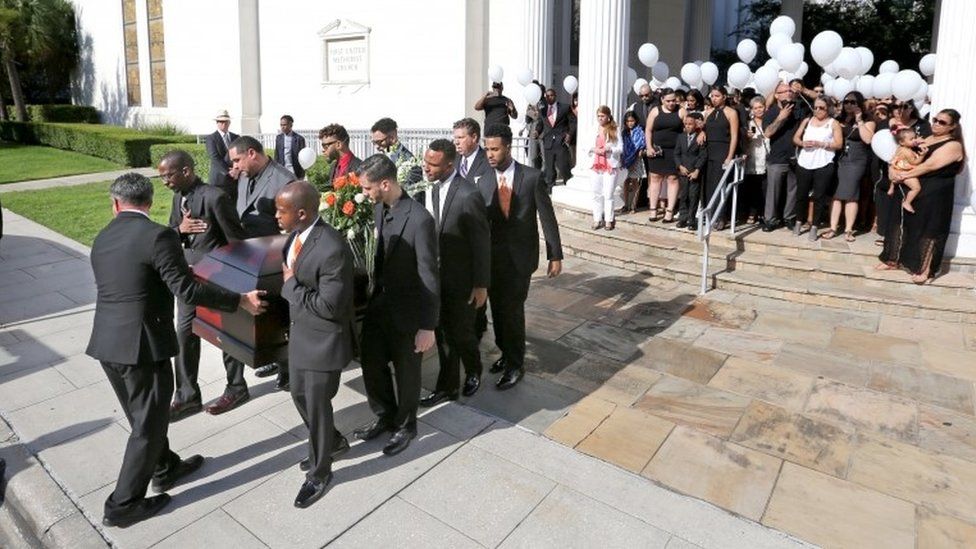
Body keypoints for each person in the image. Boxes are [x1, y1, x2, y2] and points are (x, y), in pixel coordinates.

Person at [86, 173, 266, 528]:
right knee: (148, 424)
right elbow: (188, 291)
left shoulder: (103, 236)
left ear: (115, 204)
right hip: (142, 347)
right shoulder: (158, 236)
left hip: (107, 344)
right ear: (149, 203)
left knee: (143, 417)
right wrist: (240, 301)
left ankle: (165, 467)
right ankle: (122, 504)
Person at [274, 181, 355, 509]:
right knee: (299, 395)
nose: (277, 216)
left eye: (282, 210)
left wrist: (290, 285)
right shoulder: (294, 236)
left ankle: (321, 473)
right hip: (300, 337)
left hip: (323, 341)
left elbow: (330, 306)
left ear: (303, 213)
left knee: (318, 408)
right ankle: (333, 443)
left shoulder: (331, 248)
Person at [354, 154, 439, 456]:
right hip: (380, 306)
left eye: (367, 188)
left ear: (385, 184)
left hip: (408, 312)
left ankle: (406, 425)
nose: (364, 194)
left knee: (407, 373)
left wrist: (428, 326)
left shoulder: (420, 220)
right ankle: (384, 415)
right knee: (372, 363)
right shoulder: (379, 208)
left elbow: (429, 275)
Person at [159, 150, 248, 422]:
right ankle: (187, 396)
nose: (164, 181)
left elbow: (237, 242)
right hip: (188, 281)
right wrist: (180, 230)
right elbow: (172, 232)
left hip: (218, 280)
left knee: (227, 335)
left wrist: (231, 278)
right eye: (161, 176)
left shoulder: (215, 197)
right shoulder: (178, 197)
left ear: (186, 171)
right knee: (184, 334)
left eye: (168, 175)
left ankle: (236, 388)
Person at [477, 124, 563, 390]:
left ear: (508, 147)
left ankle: (516, 365)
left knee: (512, 311)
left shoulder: (531, 177)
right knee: (497, 311)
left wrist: (555, 254)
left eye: (495, 149)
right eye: (487, 149)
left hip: (519, 259)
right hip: (492, 259)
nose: (489, 154)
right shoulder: (483, 180)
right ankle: (506, 353)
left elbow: (547, 218)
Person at [213, 135, 293, 410]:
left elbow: (293, 227)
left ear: (251, 153)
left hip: (271, 265)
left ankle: (286, 369)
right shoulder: (244, 174)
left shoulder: (284, 180)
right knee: (234, 319)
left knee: (276, 320)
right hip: (242, 259)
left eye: (236, 159)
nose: (234, 165)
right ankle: (235, 385)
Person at [416, 139, 490, 406]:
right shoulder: (434, 190)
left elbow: (482, 243)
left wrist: (481, 285)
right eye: (426, 162)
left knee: (462, 333)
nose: (427, 168)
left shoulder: (469, 194)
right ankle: (447, 387)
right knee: (443, 333)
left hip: (463, 280)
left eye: (433, 165)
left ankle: (473, 369)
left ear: (450, 165)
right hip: (439, 278)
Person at [879, 109, 965, 284]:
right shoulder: (925, 138)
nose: (936, 123)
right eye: (935, 119)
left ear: (953, 126)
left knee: (930, 229)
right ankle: (893, 259)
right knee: (903, 223)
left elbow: (929, 166)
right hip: (915, 186)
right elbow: (900, 153)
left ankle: (925, 270)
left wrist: (902, 175)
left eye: (942, 122)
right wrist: (892, 170)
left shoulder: (953, 145)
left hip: (936, 192)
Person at [792, 96, 843, 241]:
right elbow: (795, 138)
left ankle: (815, 226)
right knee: (801, 195)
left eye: (822, 108)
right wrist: (802, 143)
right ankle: (799, 222)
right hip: (804, 161)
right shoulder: (807, 121)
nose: (818, 110)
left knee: (819, 196)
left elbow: (839, 144)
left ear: (828, 109)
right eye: (815, 107)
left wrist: (823, 144)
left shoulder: (833, 123)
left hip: (824, 163)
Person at [828, 92, 876, 242]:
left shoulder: (868, 120)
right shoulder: (838, 119)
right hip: (838, 160)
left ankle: (848, 230)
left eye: (853, 102)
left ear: (860, 104)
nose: (849, 104)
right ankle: (833, 228)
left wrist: (859, 120)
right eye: (846, 101)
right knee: (836, 194)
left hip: (856, 161)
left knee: (851, 195)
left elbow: (868, 139)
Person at [762, 83, 804, 232]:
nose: (788, 93)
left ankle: (789, 218)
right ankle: (770, 220)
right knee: (773, 191)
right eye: (784, 91)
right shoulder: (771, 112)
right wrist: (781, 117)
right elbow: (767, 133)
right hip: (777, 157)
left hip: (796, 157)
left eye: (790, 91)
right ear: (777, 95)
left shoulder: (798, 109)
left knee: (793, 189)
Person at [645, 88, 685, 222]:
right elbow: (648, 130)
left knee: (673, 179)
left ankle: (670, 210)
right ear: (662, 100)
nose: (671, 103)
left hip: (674, 151)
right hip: (657, 150)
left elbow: (688, 128)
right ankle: (653, 209)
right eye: (668, 101)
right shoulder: (655, 111)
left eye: (674, 100)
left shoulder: (681, 111)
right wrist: (649, 147)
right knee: (655, 178)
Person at [702, 86, 739, 230]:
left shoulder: (731, 112)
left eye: (717, 96)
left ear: (724, 96)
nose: (714, 98)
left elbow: (734, 136)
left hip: (722, 151)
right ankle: (709, 215)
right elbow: (703, 129)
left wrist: (729, 156)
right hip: (709, 151)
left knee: (720, 184)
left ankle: (720, 217)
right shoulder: (709, 112)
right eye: (712, 96)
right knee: (708, 184)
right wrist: (701, 132)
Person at [588, 106, 624, 231]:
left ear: (608, 116)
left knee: (608, 194)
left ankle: (609, 219)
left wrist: (611, 149)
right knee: (596, 193)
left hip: (610, 164)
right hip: (596, 165)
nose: (600, 118)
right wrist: (593, 149)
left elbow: (620, 147)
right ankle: (597, 219)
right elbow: (586, 145)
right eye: (598, 116)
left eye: (602, 116)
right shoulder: (594, 128)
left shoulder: (615, 129)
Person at [674, 112, 707, 231]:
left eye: (690, 124)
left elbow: (703, 155)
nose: (688, 126)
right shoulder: (680, 137)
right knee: (684, 196)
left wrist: (697, 170)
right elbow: (676, 153)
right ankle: (682, 218)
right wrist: (680, 166)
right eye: (686, 124)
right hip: (683, 171)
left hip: (694, 172)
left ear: (695, 125)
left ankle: (692, 220)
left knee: (693, 196)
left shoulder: (700, 137)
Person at [537, 88, 573, 191]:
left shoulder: (565, 108)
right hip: (548, 141)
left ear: (555, 96)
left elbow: (572, 122)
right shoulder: (543, 110)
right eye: (547, 96)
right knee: (549, 167)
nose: (549, 97)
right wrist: (537, 131)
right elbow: (540, 123)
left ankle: (568, 182)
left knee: (563, 165)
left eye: (551, 95)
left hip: (561, 141)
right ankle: (550, 188)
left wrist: (569, 134)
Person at [371, 117, 422, 185]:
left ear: (392, 138)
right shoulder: (383, 158)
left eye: (380, 142)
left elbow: (412, 192)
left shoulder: (409, 162)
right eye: (374, 143)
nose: (377, 147)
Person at [743, 97, 769, 224]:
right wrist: (747, 137)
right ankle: (752, 213)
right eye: (756, 108)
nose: (759, 110)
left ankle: (764, 213)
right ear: (752, 109)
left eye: (760, 107)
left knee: (765, 188)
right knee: (753, 188)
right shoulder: (749, 123)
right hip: (753, 158)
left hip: (767, 157)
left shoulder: (769, 121)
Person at [204, 110, 240, 200]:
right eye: (221, 122)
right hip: (219, 180)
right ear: (217, 123)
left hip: (235, 180)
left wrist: (236, 170)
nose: (224, 124)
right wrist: (229, 171)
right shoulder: (211, 138)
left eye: (226, 121)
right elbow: (215, 157)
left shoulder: (236, 137)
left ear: (229, 122)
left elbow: (240, 155)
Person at [888, 128, 924, 212]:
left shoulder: (899, 148)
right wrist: (922, 156)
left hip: (896, 169)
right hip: (904, 172)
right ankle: (907, 202)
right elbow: (915, 162)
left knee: (895, 179)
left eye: (915, 137)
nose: (914, 140)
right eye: (911, 139)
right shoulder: (907, 152)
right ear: (902, 142)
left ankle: (891, 188)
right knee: (916, 188)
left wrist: (916, 142)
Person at [620, 111, 646, 213]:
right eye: (628, 121)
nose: (630, 123)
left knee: (635, 182)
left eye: (632, 121)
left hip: (636, 159)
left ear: (636, 121)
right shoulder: (624, 133)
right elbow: (622, 146)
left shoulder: (639, 131)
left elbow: (641, 144)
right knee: (626, 182)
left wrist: (639, 152)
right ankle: (626, 204)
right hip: (625, 160)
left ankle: (633, 205)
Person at [453, 117, 491, 183]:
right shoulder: (452, 160)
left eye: (460, 137)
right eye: (455, 138)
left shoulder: (489, 160)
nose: (456, 142)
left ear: (474, 137)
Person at [274, 114, 307, 179]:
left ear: (291, 125)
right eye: (281, 125)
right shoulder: (279, 138)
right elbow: (276, 155)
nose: (282, 127)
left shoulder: (299, 139)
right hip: (282, 171)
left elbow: (303, 158)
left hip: (295, 171)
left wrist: (302, 174)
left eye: (284, 125)